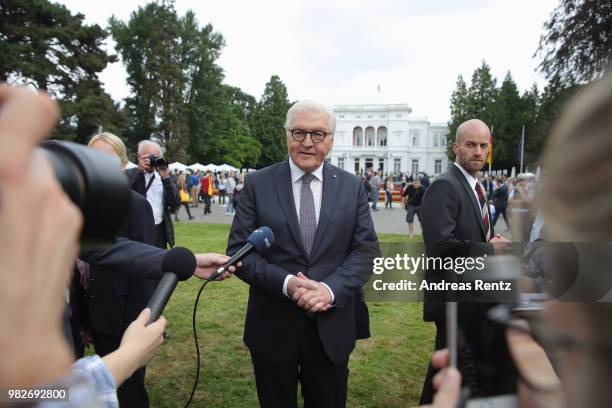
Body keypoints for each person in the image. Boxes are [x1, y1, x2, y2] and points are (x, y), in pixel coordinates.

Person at [227, 100, 379, 408]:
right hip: (272, 327)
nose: (307, 142)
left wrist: (328, 289)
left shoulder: (352, 186)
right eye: (298, 132)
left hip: (331, 328)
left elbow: (366, 251)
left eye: (318, 134)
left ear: (332, 140)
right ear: (286, 135)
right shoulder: (258, 183)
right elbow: (239, 252)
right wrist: (287, 284)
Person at [419, 119, 515, 404]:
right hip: (454, 299)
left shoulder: (474, 186)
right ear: (455, 147)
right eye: (470, 144)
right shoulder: (445, 186)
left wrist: (488, 239)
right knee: (451, 368)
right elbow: (439, 247)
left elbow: (466, 235)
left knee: (460, 369)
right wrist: (489, 250)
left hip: (473, 297)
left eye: (483, 145)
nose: (477, 151)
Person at [86, 132, 158, 407]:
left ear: (122, 163)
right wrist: (82, 317)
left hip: (127, 315)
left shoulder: (136, 205)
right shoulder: (81, 204)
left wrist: (139, 321)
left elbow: (146, 267)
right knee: (106, 388)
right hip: (97, 313)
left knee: (129, 392)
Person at [125, 140, 179, 249]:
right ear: (139, 156)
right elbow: (120, 193)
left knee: (158, 263)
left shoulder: (165, 176)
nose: (152, 160)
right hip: (136, 231)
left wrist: (166, 178)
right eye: (149, 157)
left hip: (159, 231)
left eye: (156, 157)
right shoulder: (129, 174)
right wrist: (139, 171)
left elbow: (176, 202)